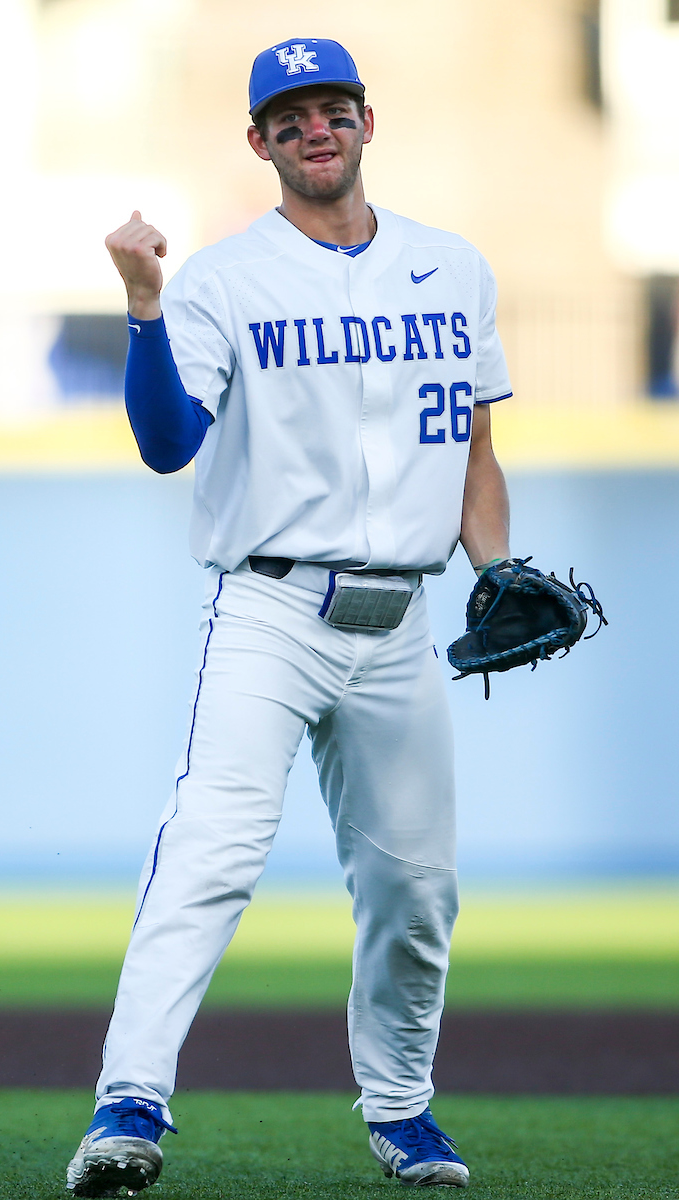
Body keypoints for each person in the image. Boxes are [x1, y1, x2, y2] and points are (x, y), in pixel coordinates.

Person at [66, 36, 512, 1196]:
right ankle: (128, 1102)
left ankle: (401, 1110)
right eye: (288, 116)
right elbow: (167, 444)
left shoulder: (451, 267)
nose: (315, 128)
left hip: (399, 623)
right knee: (209, 852)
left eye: (331, 108)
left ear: (366, 120)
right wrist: (145, 306)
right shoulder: (221, 280)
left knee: (415, 890)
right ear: (258, 141)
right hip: (271, 611)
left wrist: (497, 569)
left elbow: (472, 445)